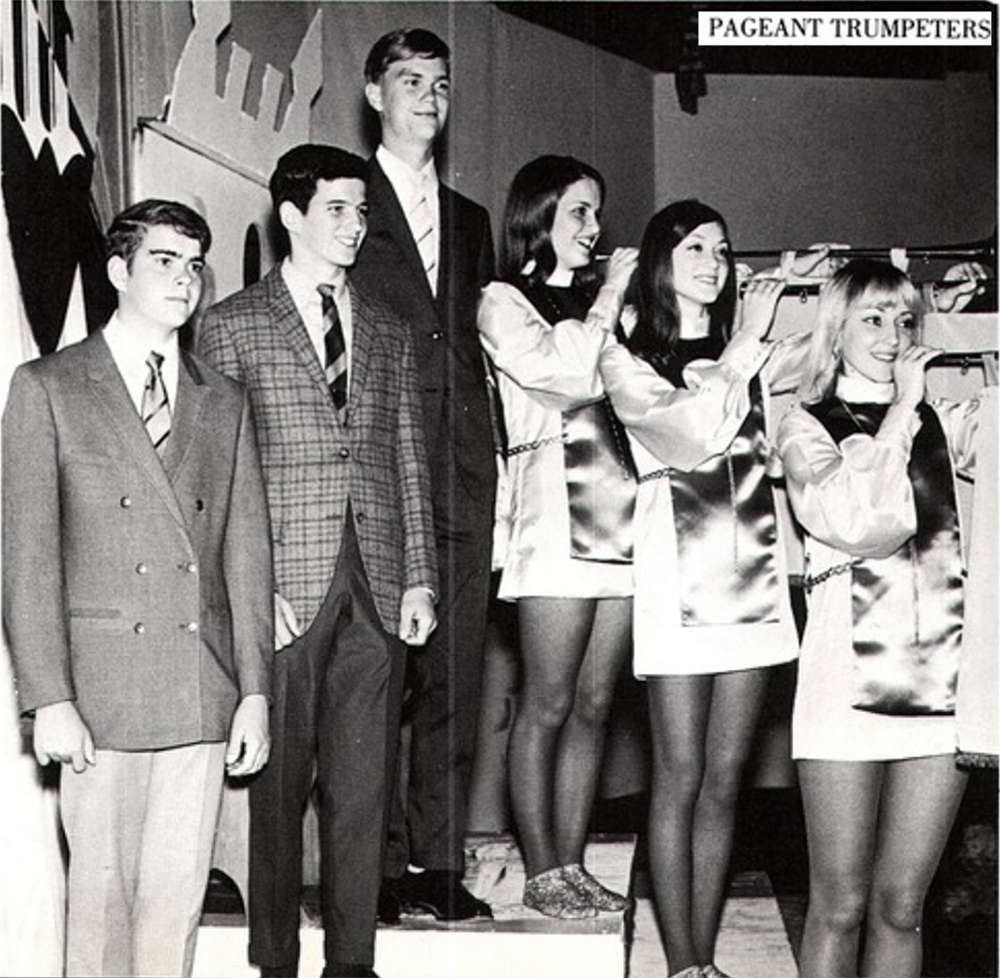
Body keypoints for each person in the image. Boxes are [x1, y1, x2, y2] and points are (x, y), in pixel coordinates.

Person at [2, 198, 273, 977]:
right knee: (100, 910)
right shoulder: (48, 387)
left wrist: (254, 690)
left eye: (194, 265)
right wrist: (48, 697)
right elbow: (26, 560)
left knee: (174, 909)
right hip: (99, 695)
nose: (184, 279)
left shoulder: (223, 399)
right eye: (164, 260)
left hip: (198, 689)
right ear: (118, 270)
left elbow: (247, 557)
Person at [198, 145, 437, 978]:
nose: (355, 225)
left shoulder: (388, 328)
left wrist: (419, 576)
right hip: (283, 590)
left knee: (363, 792)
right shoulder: (231, 324)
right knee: (278, 790)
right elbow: (215, 475)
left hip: (374, 584)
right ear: (291, 215)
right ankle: (275, 962)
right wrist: (248, 590)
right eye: (337, 208)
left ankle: (353, 965)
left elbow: (408, 454)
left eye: (363, 210)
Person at [598, 200, 829, 978]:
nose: (713, 260)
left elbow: (840, 347)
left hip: (755, 578)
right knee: (681, 774)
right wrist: (741, 348)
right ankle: (681, 961)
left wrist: (842, 290)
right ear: (662, 258)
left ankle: (703, 962)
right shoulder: (626, 357)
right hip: (676, 573)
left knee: (727, 780)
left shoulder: (755, 352)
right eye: (695, 246)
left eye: (723, 249)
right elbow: (691, 433)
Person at [776, 259, 983, 978]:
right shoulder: (805, 427)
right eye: (873, 319)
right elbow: (862, 520)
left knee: (902, 906)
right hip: (843, 677)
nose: (893, 337)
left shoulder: (944, 419)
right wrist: (901, 412)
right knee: (839, 903)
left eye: (904, 321)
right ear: (837, 328)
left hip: (940, 683)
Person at [351, 27, 496, 923]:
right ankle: (370, 866)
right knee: (374, 677)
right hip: (373, 465)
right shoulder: (342, 199)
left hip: (462, 467)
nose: (428, 97)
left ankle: (439, 866)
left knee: (455, 671)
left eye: (440, 83)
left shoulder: (472, 219)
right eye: (409, 81)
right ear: (374, 94)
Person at [477, 155, 638, 918]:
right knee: (547, 701)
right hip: (550, 510)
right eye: (578, 211)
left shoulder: (609, 310)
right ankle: (540, 869)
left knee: (597, 703)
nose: (593, 227)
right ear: (538, 215)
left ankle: (571, 863)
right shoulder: (503, 301)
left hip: (623, 517)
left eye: (597, 212)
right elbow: (568, 377)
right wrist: (607, 297)